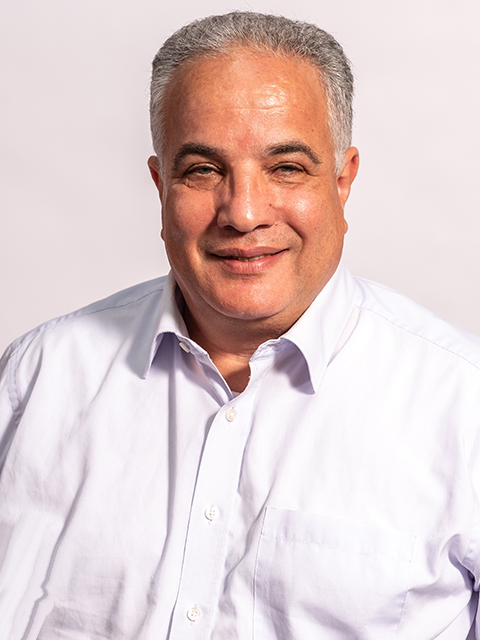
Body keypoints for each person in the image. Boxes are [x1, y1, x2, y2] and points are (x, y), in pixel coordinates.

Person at [0, 10, 479, 639]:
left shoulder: (461, 403)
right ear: (160, 185)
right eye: (203, 169)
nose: (244, 213)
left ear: (343, 181)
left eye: (286, 168)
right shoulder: (35, 377)